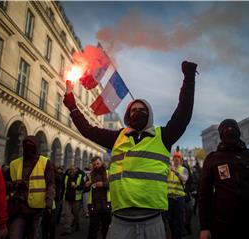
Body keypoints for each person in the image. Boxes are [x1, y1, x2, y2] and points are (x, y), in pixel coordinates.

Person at [63, 61, 197, 238]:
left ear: (149, 115)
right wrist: (72, 106)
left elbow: (183, 113)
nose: (137, 112)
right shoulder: (117, 137)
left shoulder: (163, 137)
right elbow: (88, 130)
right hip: (120, 223)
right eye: (133, 110)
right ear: (128, 116)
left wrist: (189, 77)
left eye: (142, 110)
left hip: (153, 222)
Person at [9, 136, 55, 239]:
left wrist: (48, 204)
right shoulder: (14, 164)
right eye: (26, 146)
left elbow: (51, 184)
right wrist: (15, 184)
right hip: (19, 208)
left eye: (31, 146)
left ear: (36, 147)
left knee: (33, 235)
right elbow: (6, 182)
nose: (28, 149)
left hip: (38, 209)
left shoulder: (45, 162)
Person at [84, 156, 111, 239]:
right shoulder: (89, 175)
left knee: (106, 229)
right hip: (93, 205)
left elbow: (113, 185)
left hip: (106, 204)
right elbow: (85, 189)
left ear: (101, 162)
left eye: (98, 163)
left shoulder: (108, 173)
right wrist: (86, 185)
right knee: (92, 229)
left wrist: (103, 184)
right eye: (94, 164)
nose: (96, 166)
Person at [166, 151, 188, 239]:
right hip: (169, 199)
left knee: (179, 222)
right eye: (175, 157)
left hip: (179, 200)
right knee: (170, 222)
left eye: (178, 157)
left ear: (181, 160)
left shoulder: (183, 169)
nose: (176, 159)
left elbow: (185, 178)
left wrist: (176, 172)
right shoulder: (169, 170)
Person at [60, 164, 85, 236]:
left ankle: (77, 224)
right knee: (67, 214)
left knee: (76, 214)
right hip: (67, 198)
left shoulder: (80, 176)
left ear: (77, 170)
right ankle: (67, 229)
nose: (72, 171)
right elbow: (62, 185)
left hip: (76, 199)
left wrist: (77, 186)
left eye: (74, 169)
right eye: (71, 170)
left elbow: (83, 187)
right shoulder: (66, 175)